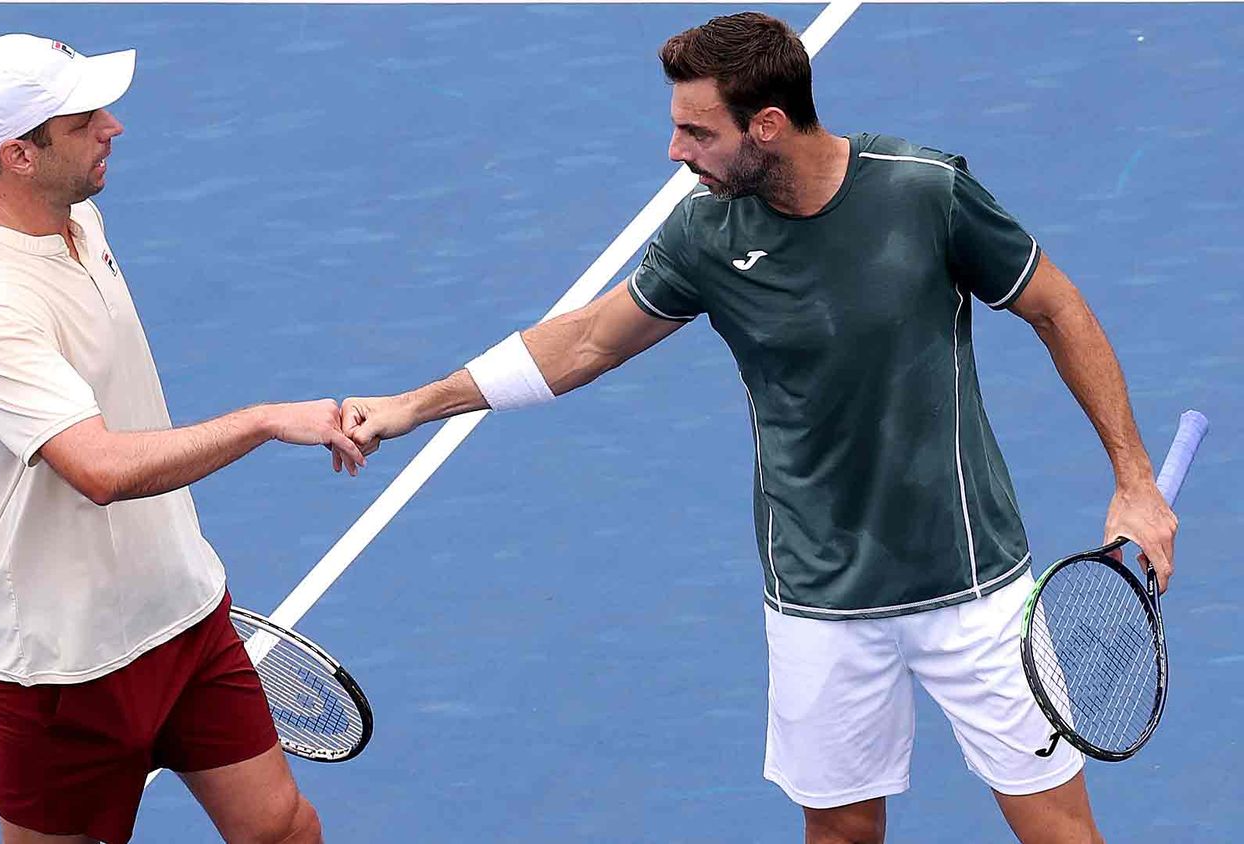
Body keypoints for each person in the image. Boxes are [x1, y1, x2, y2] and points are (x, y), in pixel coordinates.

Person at [337, 12, 1177, 844]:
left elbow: (1056, 306)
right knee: (841, 833)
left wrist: (1134, 480)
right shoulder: (704, 237)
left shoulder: (926, 192)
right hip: (816, 598)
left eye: (696, 133)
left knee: (1058, 834)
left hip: (974, 586)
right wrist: (417, 404)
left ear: (767, 126)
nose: (676, 153)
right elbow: (586, 340)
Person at [0, 34, 363, 844]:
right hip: (69, 664)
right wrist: (264, 420)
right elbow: (95, 467)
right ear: (20, 155)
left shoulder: (79, 220)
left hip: (185, 611)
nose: (113, 127)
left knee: (281, 830)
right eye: (86, 119)